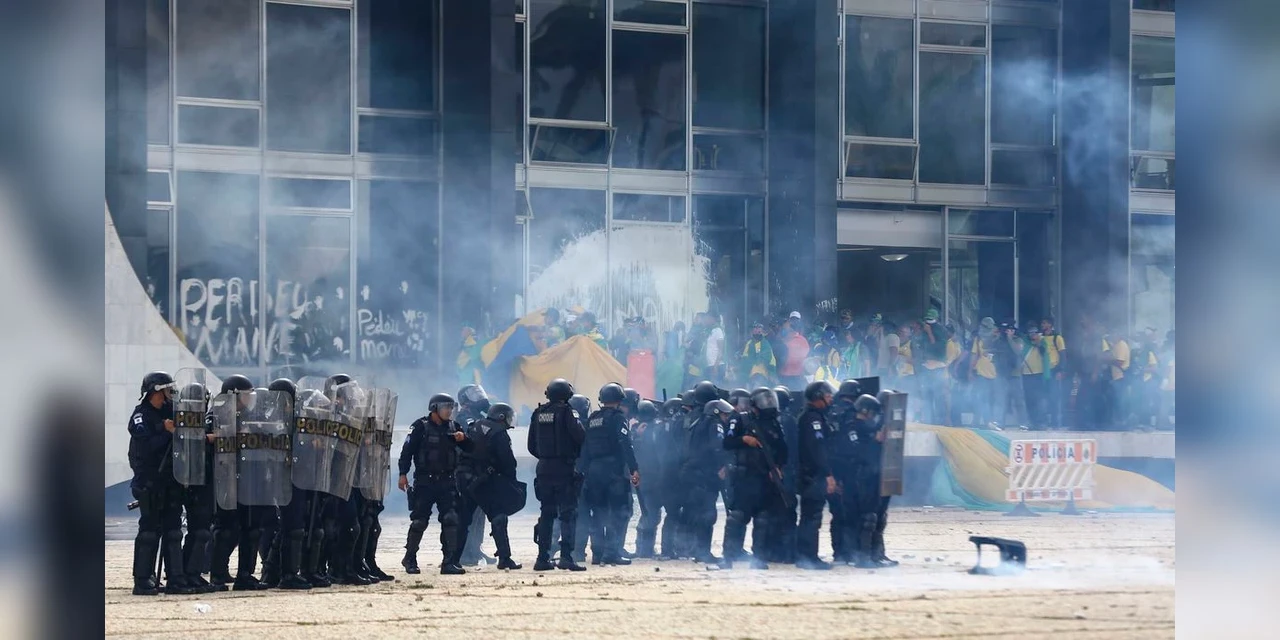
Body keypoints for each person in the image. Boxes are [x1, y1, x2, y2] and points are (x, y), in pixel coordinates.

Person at [128, 371, 197, 596]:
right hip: (150, 481)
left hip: (171, 480)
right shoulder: (141, 416)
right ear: (155, 392)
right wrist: (165, 431)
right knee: (149, 531)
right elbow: (145, 447)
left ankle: (176, 577)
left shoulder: (171, 412)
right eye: (166, 390)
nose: (170, 394)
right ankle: (142, 578)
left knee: (174, 530)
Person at [208, 374, 274, 591]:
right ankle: (217, 574)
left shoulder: (252, 417)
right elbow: (207, 442)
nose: (249, 399)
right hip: (226, 481)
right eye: (246, 395)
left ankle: (245, 574)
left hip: (249, 480)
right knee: (226, 529)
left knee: (251, 528)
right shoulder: (216, 415)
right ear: (235, 395)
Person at [397, 392, 474, 575]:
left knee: (451, 519)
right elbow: (407, 452)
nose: (449, 411)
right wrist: (402, 474)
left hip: (447, 481)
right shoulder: (420, 427)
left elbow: (470, 449)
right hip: (425, 482)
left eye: (450, 407)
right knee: (419, 521)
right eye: (445, 407)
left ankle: (449, 561)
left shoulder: (454, 427)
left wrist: (464, 439)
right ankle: (410, 558)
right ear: (434, 408)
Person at [721, 387, 788, 570]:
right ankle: (728, 557)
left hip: (765, 479)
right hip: (745, 478)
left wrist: (778, 467)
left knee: (762, 519)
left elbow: (782, 449)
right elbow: (727, 442)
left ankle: (758, 559)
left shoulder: (774, 423)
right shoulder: (741, 419)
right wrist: (744, 439)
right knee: (737, 518)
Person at [528, 379, 588, 571]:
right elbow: (580, 436)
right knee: (568, 514)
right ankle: (566, 557)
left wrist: (546, 457)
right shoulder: (568, 412)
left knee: (547, 513)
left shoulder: (538, 413)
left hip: (544, 467)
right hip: (564, 467)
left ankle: (542, 558)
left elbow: (531, 445)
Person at [456, 402, 523, 570]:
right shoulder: (499, 433)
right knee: (499, 517)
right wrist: (510, 480)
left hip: (467, 479)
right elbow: (507, 462)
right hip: (485, 481)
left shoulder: (476, 425)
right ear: (501, 417)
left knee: (463, 520)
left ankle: (452, 558)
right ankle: (505, 558)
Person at [579, 383, 641, 565]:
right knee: (618, 512)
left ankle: (597, 554)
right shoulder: (618, 418)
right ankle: (612, 552)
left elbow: (586, 447)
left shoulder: (592, 419)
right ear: (619, 399)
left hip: (594, 471)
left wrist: (583, 471)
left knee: (598, 512)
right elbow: (625, 443)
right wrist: (633, 468)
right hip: (613, 470)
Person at [846, 394, 896, 568]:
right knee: (867, 518)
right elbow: (857, 451)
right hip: (862, 477)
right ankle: (863, 557)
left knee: (877, 516)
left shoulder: (869, 427)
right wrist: (874, 441)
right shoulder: (853, 427)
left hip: (874, 475)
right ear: (865, 411)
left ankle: (876, 555)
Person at [795, 381, 837, 570]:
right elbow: (817, 449)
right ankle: (808, 557)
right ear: (818, 396)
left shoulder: (814, 417)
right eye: (827, 396)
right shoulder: (813, 419)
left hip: (810, 475)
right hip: (812, 476)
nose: (830, 400)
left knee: (810, 516)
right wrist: (828, 474)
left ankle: (806, 555)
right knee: (811, 517)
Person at [455, 385, 496, 567]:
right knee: (467, 514)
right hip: (467, 471)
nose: (479, 398)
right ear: (464, 400)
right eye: (474, 395)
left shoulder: (480, 417)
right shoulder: (464, 417)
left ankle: (474, 548)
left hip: (479, 471)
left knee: (479, 515)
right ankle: (465, 552)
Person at [827, 380, 863, 564]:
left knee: (837, 513)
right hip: (847, 469)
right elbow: (852, 443)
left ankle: (839, 552)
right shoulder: (850, 414)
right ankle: (849, 552)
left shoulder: (829, 411)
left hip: (831, 470)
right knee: (850, 512)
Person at [631, 400, 667, 559]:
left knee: (650, 512)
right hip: (650, 476)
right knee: (650, 513)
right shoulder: (651, 429)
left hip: (645, 475)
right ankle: (644, 549)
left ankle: (645, 548)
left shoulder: (635, 429)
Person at [916, 309, 948, 424]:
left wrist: (929, 332)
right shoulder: (925, 329)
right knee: (927, 395)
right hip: (927, 367)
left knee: (938, 395)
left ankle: (940, 422)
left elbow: (937, 347)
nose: (928, 323)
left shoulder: (940, 331)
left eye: (931, 320)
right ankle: (930, 421)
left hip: (937, 368)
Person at [970, 318, 999, 428]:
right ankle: (980, 421)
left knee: (993, 399)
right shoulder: (978, 339)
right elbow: (974, 355)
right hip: (981, 372)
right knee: (981, 397)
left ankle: (993, 421)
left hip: (996, 374)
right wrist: (970, 371)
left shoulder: (997, 337)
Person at [778, 314, 811, 391]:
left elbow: (807, 358)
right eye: (784, 327)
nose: (784, 329)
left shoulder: (802, 340)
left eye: (787, 327)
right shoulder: (781, 341)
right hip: (783, 375)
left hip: (797, 376)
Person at [740, 322, 777, 388]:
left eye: (759, 329)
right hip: (750, 375)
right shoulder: (749, 343)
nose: (757, 330)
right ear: (752, 331)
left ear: (762, 331)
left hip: (762, 375)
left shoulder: (765, 344)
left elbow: (767, 359)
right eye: (755, 328)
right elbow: (745, 358)